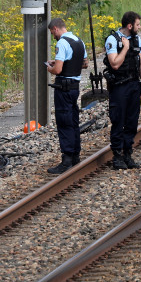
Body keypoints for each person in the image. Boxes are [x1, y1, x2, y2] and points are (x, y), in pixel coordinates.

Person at [103, 11, 141, 169]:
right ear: (130, 26)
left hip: (134, 85)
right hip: (119, 86)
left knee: (132, 121)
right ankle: (117, 155)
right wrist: (125, 48)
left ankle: (127, 153)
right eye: (138, 24)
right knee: (118, 120)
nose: (140, 27)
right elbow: (115, 64)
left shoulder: (137, 39)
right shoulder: (113, 40)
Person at [45, 18, 86, 174]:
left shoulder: (62, 43)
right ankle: (75, 155)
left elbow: (58, 70)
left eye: (52, 32)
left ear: (55, 29)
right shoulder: (78, 40)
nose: (53, 36)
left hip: (63, 88)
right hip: (75, 87)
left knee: (64, 121)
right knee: (73, 120)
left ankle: (66, 159)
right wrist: (58, 61)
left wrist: (50, 67)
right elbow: (84, 63)